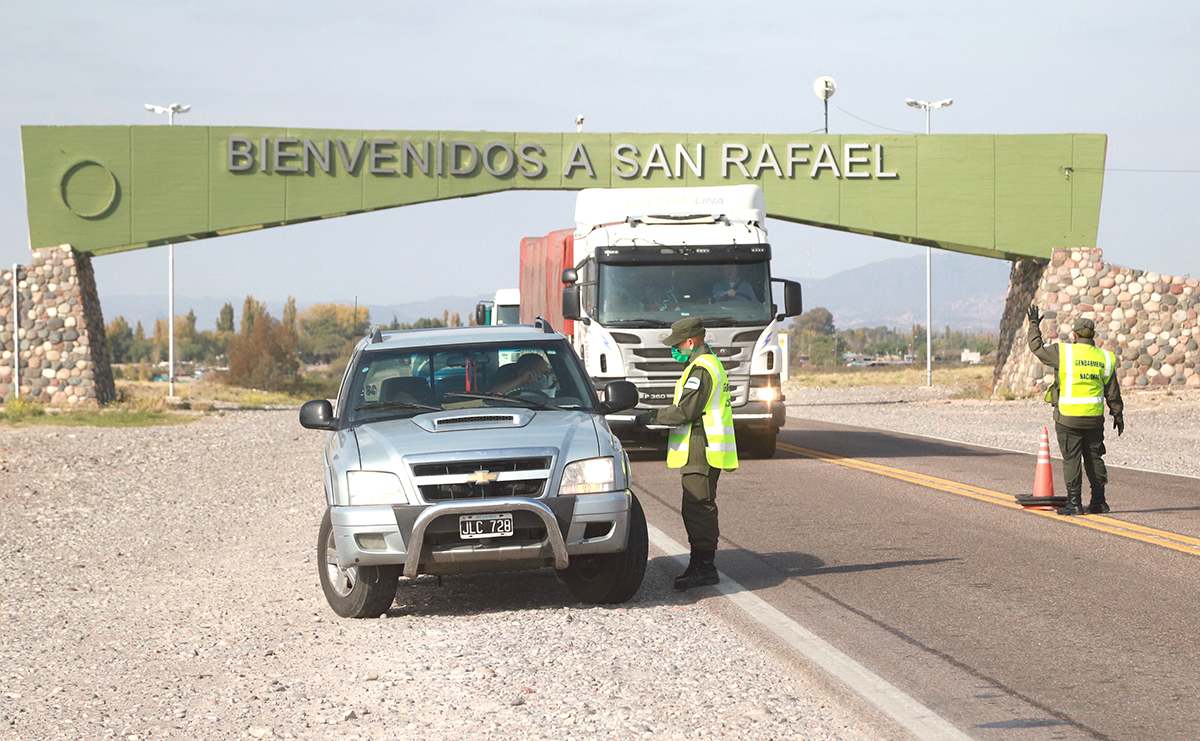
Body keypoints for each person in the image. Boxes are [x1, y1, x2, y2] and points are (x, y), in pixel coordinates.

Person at [635, 317, 738, 589]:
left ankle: (704, 567)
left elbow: (685, 412)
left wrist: (651, 416)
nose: (674, 350)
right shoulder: (706, 364)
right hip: (703, 446)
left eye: (677, 344)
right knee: (696, 506)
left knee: (698, 508)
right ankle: (699, 563)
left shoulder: (701, 369)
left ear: (690, 342)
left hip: (701, 447)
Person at [1027, 306, 1124, 516]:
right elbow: (1113, 392)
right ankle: (1099, 501)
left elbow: (1036, 347)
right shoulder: (1105, 358)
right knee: (1094, 458)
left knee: (1072, 459)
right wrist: (1118, 414)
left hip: (1068, 418)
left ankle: (1074, 503)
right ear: (1094, 336)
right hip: (1094, 419)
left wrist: (1034, 325)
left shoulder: (1063, 352)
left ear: (1075, 334)